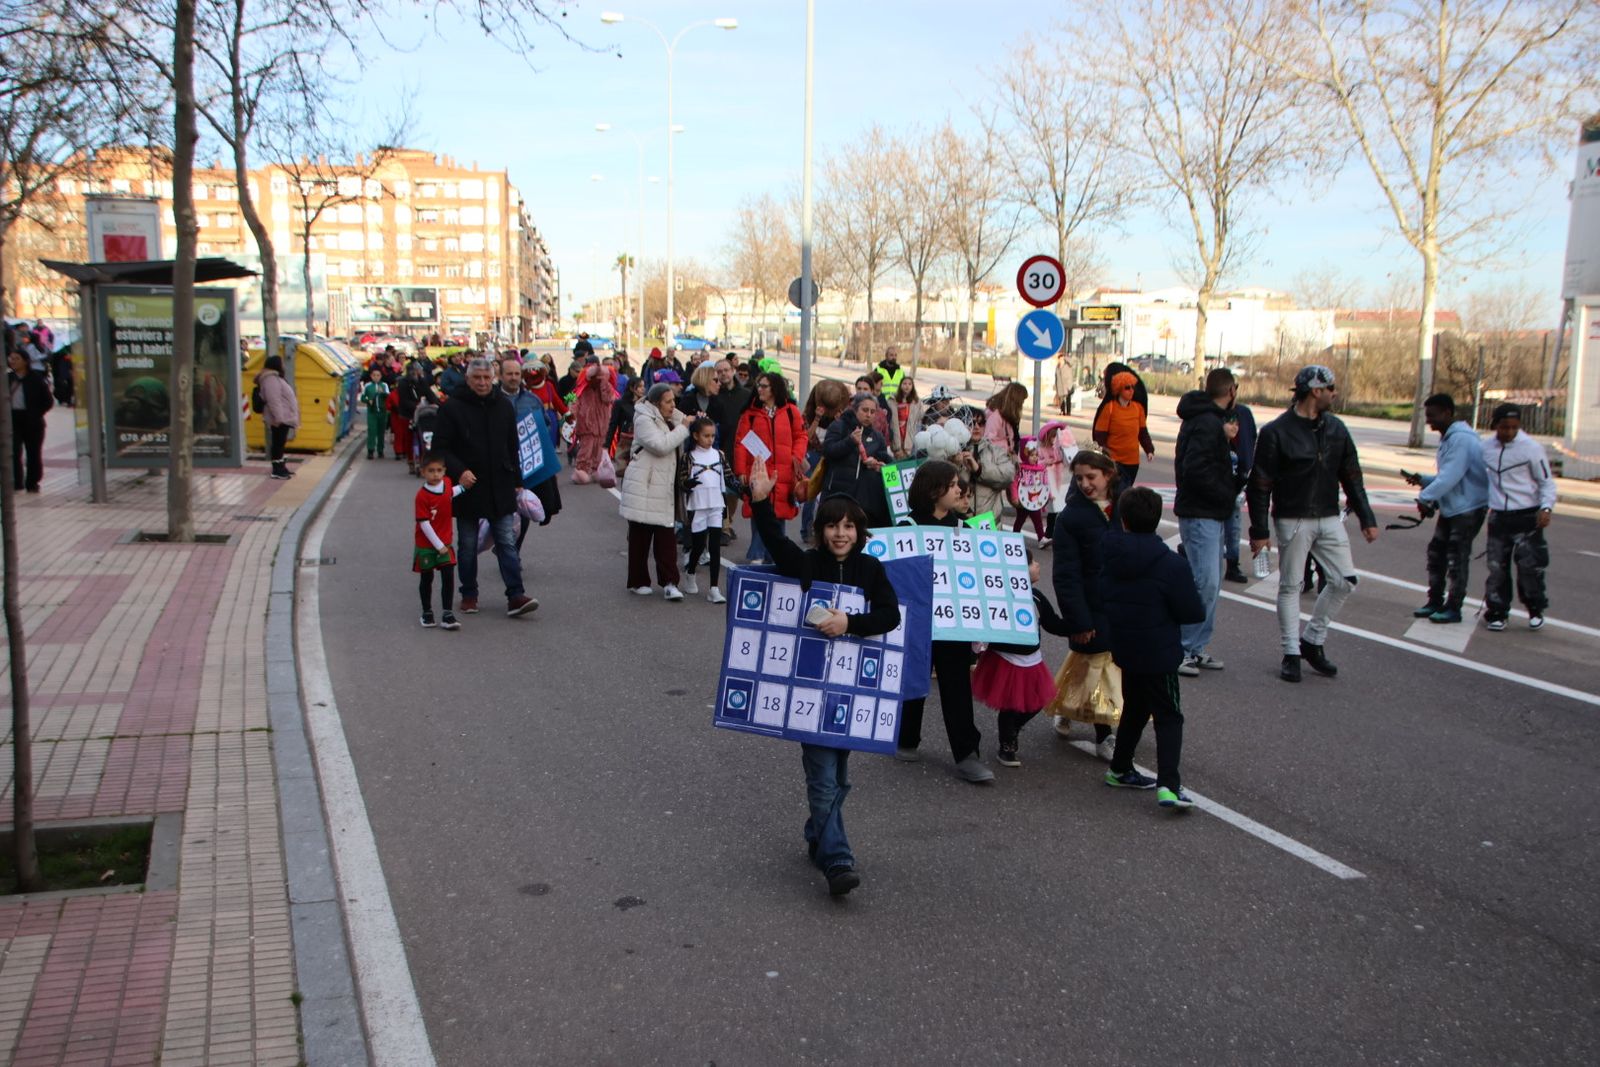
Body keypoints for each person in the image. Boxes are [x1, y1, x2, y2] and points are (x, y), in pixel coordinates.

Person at [745, 456, 900, 897]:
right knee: (824, 776)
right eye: (832, 525)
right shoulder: (809, 563)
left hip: (851, 692)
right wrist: (761, 502)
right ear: (820, 530)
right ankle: (837, 859)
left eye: (849, 526)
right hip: (808, 688)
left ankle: (817, 833)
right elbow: (778, 545)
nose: (840, 533)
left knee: (841, 778)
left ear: (860, 531)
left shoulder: (871, 569)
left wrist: (849, 623)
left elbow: (889, 615)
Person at [1247, 365, 1378, 683]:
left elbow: (1352, 475)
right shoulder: (1276, 432)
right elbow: (1260, 484)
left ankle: (1312, 640)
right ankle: (1291, 652)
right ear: (1316, 391)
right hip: (1292, 517)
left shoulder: (1336, 429)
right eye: (1331, 388)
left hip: (1329, 516)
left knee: (1344, 580)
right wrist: (1260, 531)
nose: (1335, 394)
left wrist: (1367, 517)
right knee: (1291, 585)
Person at [1100, 486, 1206, 809]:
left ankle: (1120, 767)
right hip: (1159, 650)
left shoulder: (1111, 555)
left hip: (1125, 644)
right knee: (1168, 715)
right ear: (1157, 519)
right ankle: (1169, 784)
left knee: (1136, 706)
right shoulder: (1172, 564)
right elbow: (1192, 612)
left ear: (1124, 520)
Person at [896, 459, 994, 783]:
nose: (958, 490)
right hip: (917, 622)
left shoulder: (966, 528)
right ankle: (906, 738)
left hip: (954, 624)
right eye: (952, 485)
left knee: (957, 687)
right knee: (914, 680)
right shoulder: (906, 527)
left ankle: (967, 754)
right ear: (932, 490)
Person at [432, 357, 539, 618]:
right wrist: (459, 471)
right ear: (468, 379)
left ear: (493, 378)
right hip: (468, 488)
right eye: (476, 378)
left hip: (500, 485)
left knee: (507, 542)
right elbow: (440, 448)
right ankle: (469, 593)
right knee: (468, 544)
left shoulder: (503, 406)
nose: (482, 383)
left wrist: (517, 482)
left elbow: (512, 446)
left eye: (486, 378)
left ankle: (516, 595)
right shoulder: (452, 408)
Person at [1048, 449, 1120, 758]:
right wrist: (1078, 619)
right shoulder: (1071, 518)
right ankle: (1104, 735)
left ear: (1108, 475)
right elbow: (1066, 574)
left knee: (1098, 667)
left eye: (1091, 477)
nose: (1085, 484)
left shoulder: (1125, 506)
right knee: (1096, 667)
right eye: (1079, 478)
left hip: (1121, 604)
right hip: (1090, 604)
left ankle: (1066, 705)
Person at [973, 549, 1072, 767]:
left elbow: (1052, 623)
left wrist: (1078, 625)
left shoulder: (1036, 597)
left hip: (1032, 659)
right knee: (1009, 704)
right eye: (1032, 562)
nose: (1038, 565)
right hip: (1006, 658)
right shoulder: (999, 595)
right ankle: (1006, 745)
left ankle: (1013, 728)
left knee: (1039, 700)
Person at [1173, 369, 1242, 676]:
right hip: (1200, 512)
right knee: (1205, 582)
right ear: (1231, 390)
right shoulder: (1206, 422)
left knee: (1210, 582)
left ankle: (1195, 647)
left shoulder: (1208, 420)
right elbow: (1196, 470)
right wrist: (1226, 493)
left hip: (1208, 511)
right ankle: (1183, 648)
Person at [1402, 393, 1488, 624]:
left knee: (1456, 557)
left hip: (1468, 509)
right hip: (1454, 507)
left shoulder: (1462, 439)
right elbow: (1448, 476)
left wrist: (1425, 498)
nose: (1429, 421)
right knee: (1436, 554)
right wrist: (1423, 480)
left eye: (1432, 415)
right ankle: (1435, 600)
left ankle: (1454, 607)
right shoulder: (1450, 438)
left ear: (1447, 413)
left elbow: (1451, 476)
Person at [1479, 402, 1555, 631]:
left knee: (1529, 567)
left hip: (1527, 516)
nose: (1509, 432)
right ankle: (1497, 612)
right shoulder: (1485, 448)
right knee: (1497, 567)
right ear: (1495, 425)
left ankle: (1535, 608)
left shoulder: (1531, 448)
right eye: (1504, 427)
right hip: (1499, 517)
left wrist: (1546, 508)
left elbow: (1546, 482)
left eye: (1514, 427)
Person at [619, 382, 691, 599]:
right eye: (668, 402)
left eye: (673, 401)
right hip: (644, 486)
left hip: (665, 488)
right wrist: (684, 428)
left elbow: (681, 421)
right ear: (656, 403)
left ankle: (670, 583)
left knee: (666, 540)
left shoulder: (670, 418)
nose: (673, 405)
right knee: (640, 539)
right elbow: (661, 446)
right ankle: (638, 581)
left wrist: (687, 421)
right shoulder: (643, 419)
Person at [733, 371, 806, 564]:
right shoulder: (750, 414)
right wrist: (741, 471)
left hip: (783, 472)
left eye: (764, 386)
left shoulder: (791, 411)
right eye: (758, 386)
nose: (759, 389)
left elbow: (801, 436)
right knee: (759, 511)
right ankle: (757, 555)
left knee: (779, 514)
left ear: (775, 389)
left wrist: (796, 456)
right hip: (758, 471)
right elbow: (740, 443)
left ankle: (774, 557)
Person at [496, 356, 562, 540]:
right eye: (509, 374)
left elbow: (545, 425)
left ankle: (512, 549)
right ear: (500, 376)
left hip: (526, 465)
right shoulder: (493, 400)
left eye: (517, 374)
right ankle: (506, 547)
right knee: (503, 514)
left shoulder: (532, 400)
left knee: (522, 512)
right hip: (500, 465)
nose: (513, 377)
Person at [821, 392, 894, 528]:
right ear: (855, 410)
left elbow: (887, 462)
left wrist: (878, 466)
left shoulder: (877, 437)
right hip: (838, 494)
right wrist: (850, 441)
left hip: (864, 500)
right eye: (865, 410)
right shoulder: (839, 426)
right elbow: (828, 451)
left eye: (872, 412)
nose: (868, 415)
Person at [414, 452, 463, 630]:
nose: (435, 474)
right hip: (427, 545)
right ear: (423, 472)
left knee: (448, 575)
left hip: (445, 542)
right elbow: (424, 524)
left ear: (444, 471)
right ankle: (427, 612)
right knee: (427, 577)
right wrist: (438, 545)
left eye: (439, 470)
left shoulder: (447, 483)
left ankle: (447, 613)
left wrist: (464, 487)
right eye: (431, 471)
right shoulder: (421, 496)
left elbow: (450, 493)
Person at [681, 416, 728, 603]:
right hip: (698, 505)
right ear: (695, 435)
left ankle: (714, 588)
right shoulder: (689, 457)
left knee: (715, 547)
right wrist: (688, 483)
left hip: (716, 503)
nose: (710, 439)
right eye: (706, 436)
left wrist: (743, 489)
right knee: (699, 545)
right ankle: (690, 572)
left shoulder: (719, 455)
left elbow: (729, 476)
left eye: (712, 436)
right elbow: (682, 480)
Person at [799, 379, 852, 538]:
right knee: (810, 493)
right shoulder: (808, 415)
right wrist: (816, 418)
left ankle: (821, 529)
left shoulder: (841, 417)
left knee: (829, 495)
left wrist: (839, 421)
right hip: (813, 455)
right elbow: (806, 438)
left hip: (830, 455)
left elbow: (843, 437)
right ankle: (806, 529)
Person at [973, 382, 1027, 520]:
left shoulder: (1006, 416)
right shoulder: (996, 416)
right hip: (996, 461)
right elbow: (987, 440)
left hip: (1003, 460)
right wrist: (1004, 451)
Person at [1091, 369, 1154, 486]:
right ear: (1119, 389)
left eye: (1132, 387)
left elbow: (1143, 432)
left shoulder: (1138, 408)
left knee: (1127, 490)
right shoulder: (1109, 408)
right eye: (1127, 388)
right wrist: (1103, 455)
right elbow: (1100, 435)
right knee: (1116, 490)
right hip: (1114, 460)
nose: (1131, 391)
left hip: (1133, 461)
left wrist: (1149, 450)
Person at [1223, 384, 1258, 584]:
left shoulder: (1244, 413)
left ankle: (1232, 563)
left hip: (1239, 476)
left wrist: (1247, 467)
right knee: (1219, 525)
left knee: (1234, 525)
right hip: (1222, 480)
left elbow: (1251, 438)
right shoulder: (1215, 414)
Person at [8, 349, 54, 493]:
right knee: (13, 451)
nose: (13, 361)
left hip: (33, 421)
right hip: (12, 419)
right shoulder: (8, 379)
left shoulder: (36, 379)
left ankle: (32, 482)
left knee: (33, 452)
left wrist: (36, 413)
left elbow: (48, 401)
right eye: (11, 358)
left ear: (25, 361)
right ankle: (16, 482)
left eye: (16, 359)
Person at [570, 356, 617, 483]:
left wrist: (604, 384)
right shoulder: (583, 389)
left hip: (602, 425)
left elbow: (608, 399)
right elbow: (574, 402)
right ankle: (581, 470)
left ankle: (595, 469)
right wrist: (572, 414)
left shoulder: (606, 388)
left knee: (598, 451)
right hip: (586, 425)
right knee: (586, 449)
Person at [255, 354, 297, 481]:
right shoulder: (271, 379)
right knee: (278, 443)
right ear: (276, 365)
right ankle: (277, 470)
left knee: (280, 442)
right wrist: (279, 418)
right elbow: (274, 400)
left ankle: (281, 467)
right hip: (280, 418)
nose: (284, 365)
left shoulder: (274, 378)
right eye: (282, 363)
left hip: (283, 416)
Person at [1010, 437, 1052, 541]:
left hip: (1035, 499)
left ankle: (1041, 538)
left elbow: (1044, 484)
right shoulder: (1021, 469)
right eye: (1032, 455)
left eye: (1036, 455)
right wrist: (1015, 497)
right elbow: (1014, 483)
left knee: (1037, 519)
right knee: (1020, 519)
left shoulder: (1040, 469)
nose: (1035, 458)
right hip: (1022, 500)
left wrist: (1048, 495)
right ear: (1025, 455)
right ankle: (1014, 537)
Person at [607, 375, 647, 480]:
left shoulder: (645, 404)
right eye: (640, 386)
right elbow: (613, 424)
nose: (643, 389)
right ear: (632, 388)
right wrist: (606, 445)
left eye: (643, 386)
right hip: (625, 444)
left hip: (641, 443)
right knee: (624, 473)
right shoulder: (620, 403)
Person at [396, 361, 431, 474]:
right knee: (409, 438)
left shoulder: (422, 381)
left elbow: (429, 394)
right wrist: (416, 405)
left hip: (421, 413)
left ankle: (423, 460)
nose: (420, 373)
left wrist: (437, 404)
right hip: (407, 414)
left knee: (423, 437)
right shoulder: (403, 383)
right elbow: (404, 400)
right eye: (418, 371)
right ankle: (411, 461)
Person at [884, 376, 923, 459]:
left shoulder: (917, 402)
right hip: (897, 435)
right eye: (904, 383)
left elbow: (919, 418)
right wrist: (897, 447)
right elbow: (891, 422)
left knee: (908, 464)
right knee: (895, 463)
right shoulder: (892, 400)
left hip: (910, 438)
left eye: (909, 384)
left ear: (912, 386)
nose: (907, 386)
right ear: (900, 385)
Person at [360, 366, 390, 460]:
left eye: (378, 375)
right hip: (372, 412)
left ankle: (380, 450)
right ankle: (370, 450)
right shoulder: (368, 386)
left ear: (381, 376)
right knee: (372, 431)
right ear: (371, 376)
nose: (376, 377)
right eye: (374, 375)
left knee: (381, 432)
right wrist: (368, 400)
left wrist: (383, 393)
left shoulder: (384, 385)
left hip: (382, 412)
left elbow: (388, 397)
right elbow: (363, 397)